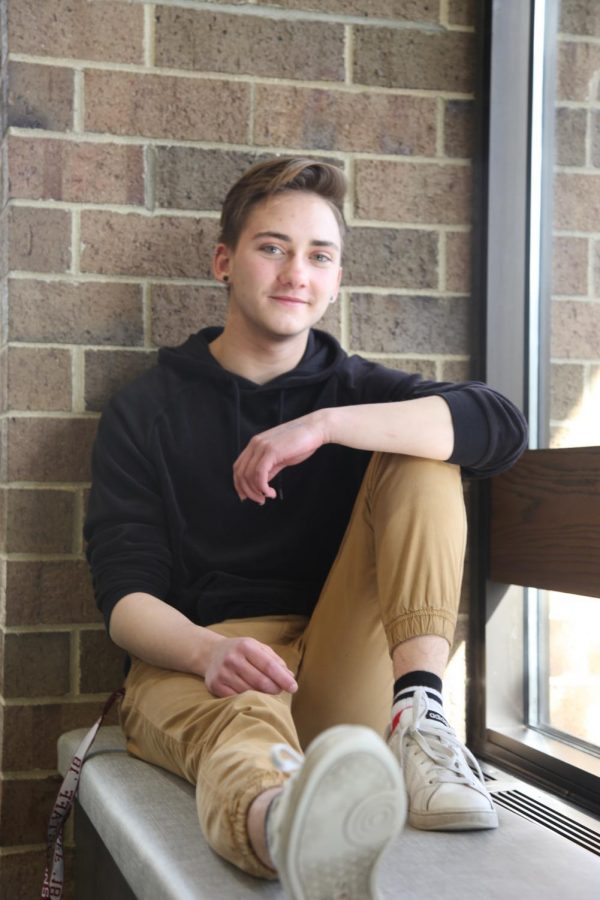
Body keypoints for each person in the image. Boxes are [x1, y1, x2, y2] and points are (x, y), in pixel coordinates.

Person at [85, 157, 527, 899]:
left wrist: (323, 426)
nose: (297, 271)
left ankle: (420, 714)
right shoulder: (147, 409)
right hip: (200, 666)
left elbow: (499, 425)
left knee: (424, 454)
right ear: (225, 261)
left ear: (337, 278)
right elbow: (124, 595)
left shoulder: (354, 391)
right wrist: (209, 651)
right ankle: (291, 831)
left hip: (337, 666)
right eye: (272, 247)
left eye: (319, 255)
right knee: (243, 726)